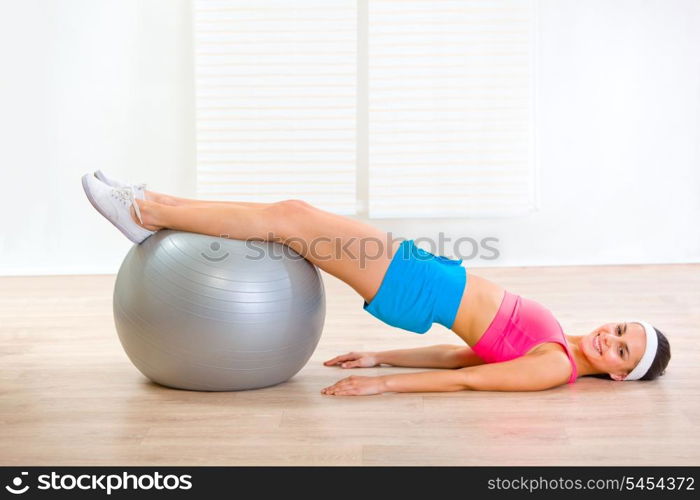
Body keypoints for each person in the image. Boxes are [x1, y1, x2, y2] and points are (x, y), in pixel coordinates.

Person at [81, 171, 671, 396]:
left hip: (410, 286)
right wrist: (378, 357)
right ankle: (151, 208)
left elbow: (472, 382)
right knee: (291, 217)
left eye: (622, 351)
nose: (609, 340)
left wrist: (384, 389)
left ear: (620, 373)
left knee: (289, 217)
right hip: (414, 272)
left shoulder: (553, 368)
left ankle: (148, 210)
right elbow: (459, 353)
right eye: (620, 329)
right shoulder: (560, 341)